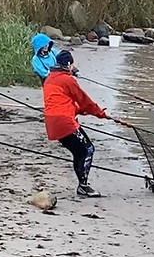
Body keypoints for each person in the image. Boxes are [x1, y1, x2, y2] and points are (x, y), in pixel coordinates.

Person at [43, 50, 108, 197]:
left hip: (52, 123)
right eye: (72, 64)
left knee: (78, 152)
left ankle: (82, 185)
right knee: (88, 149)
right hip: (65, 123)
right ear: (67, 65)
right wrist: (100, 113)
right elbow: (84, 100)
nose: (73, 67)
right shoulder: (68, 80)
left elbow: (62, 102)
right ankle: (83, 186)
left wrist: (80, 110)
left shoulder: (49, 78)